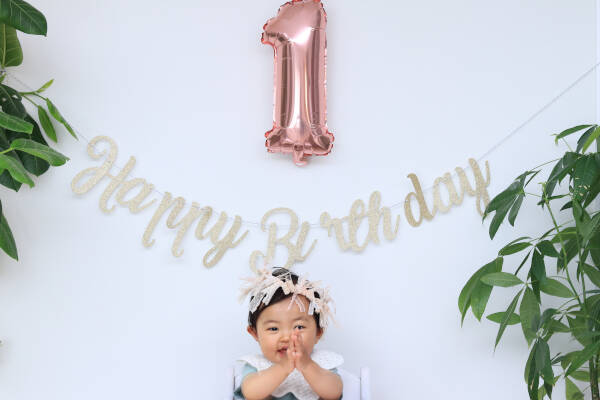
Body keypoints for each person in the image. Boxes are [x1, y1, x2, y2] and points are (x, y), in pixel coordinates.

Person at [235, 267, 343, 400]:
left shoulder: (322, 363)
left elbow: (334, 392)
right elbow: (251, 393)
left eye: (299, 326)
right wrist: (283, 367)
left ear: (318, 332)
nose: (286, 337)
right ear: (255, 334)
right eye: (273, 329)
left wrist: (307, 365)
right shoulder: (257, 365)